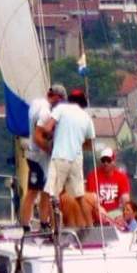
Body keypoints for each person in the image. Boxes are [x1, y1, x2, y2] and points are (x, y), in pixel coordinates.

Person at [44, 85, 95, 229]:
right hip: (76, 159)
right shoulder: (87, 117)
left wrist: (52, 137)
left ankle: (54, 230)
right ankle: (90, 228)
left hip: (60, 156)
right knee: (79, 197)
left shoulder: (61, 109)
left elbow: (48, 128)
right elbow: (89, 145)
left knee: (52, 195)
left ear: (70, 100)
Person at [21, 81, 67, 227]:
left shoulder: (36, 103)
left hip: (33, 154)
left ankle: (42, 222)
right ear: (56, 97)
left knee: (44, 190)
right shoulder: (46, 112)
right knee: (34, 191)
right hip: (38, 156)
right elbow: (38, 136)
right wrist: (51, 150)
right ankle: (27, 225)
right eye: (60, 101)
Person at [88, 144, 132, 223]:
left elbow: (125, 198)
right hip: (98, 212)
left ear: (113, 161)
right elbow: (93, 198)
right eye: (103, 160)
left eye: (108, 160)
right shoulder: (92, 176)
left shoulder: (122, 177)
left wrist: (124, 213)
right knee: (98, 211)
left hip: (115, 212)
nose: (105, 163)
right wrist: (101, 211)